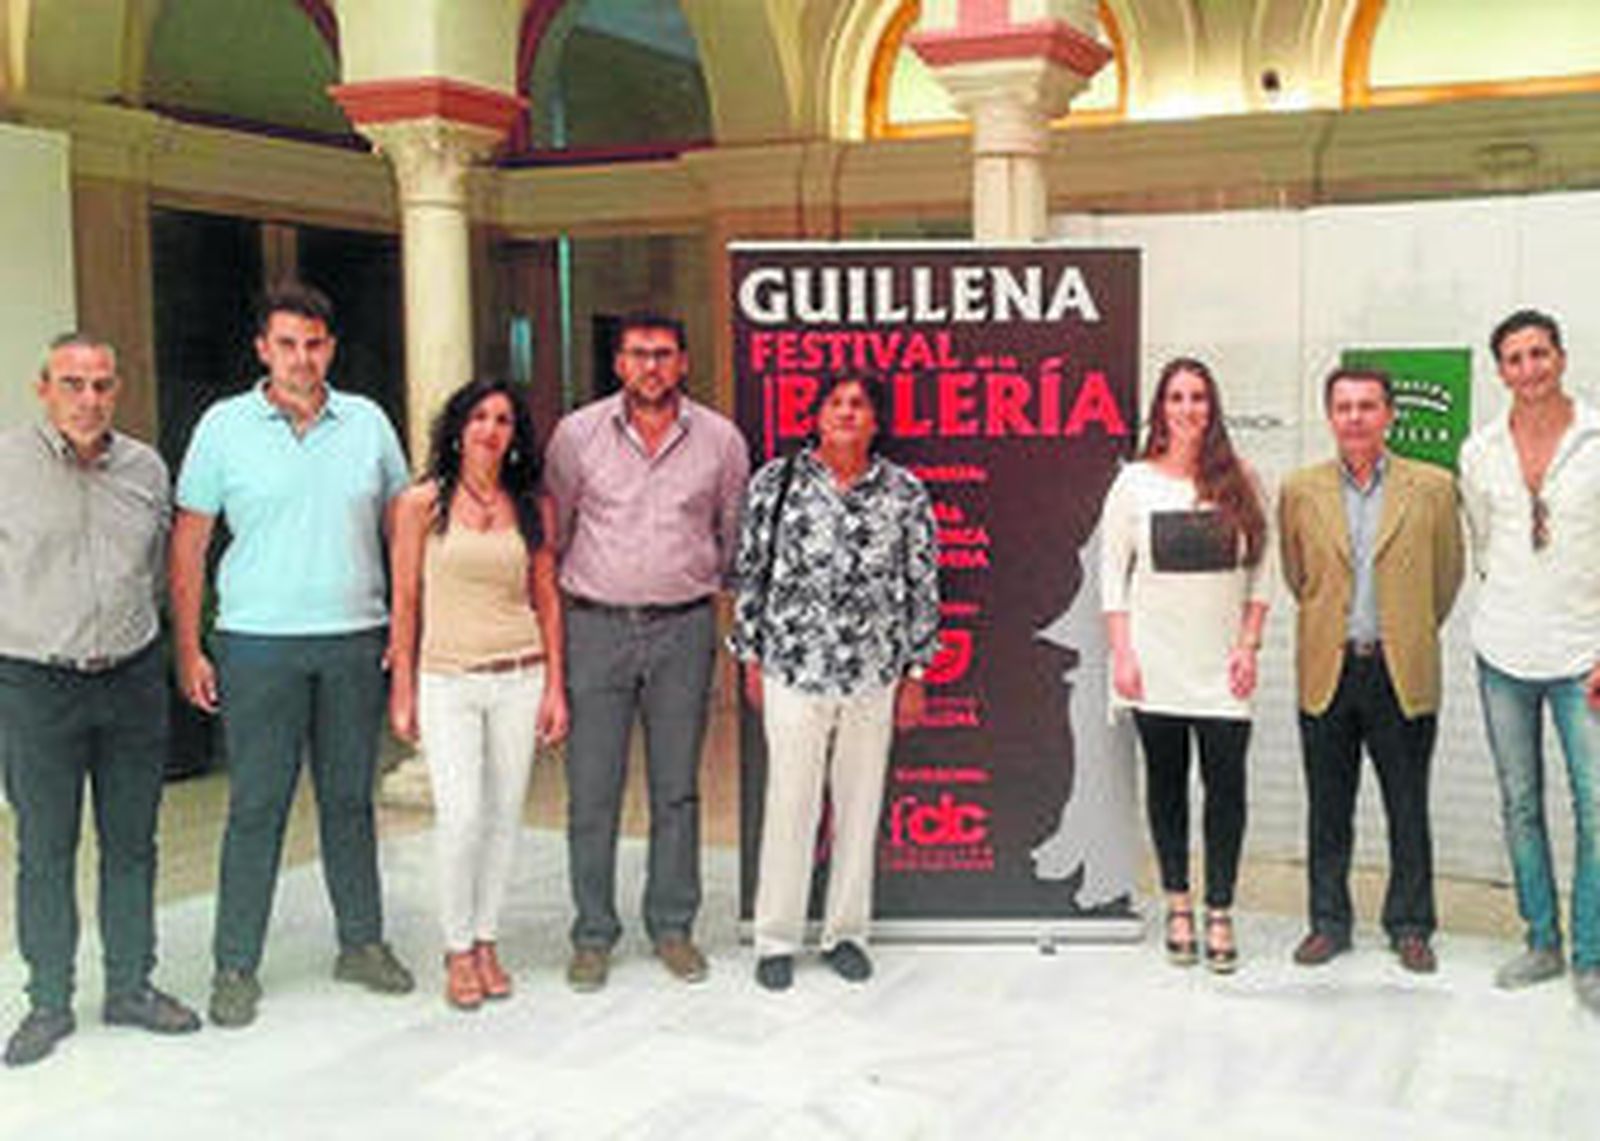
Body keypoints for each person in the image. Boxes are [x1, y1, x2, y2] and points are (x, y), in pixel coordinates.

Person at [170, 281, 414, 1028]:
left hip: (352, 641)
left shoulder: (368, 423)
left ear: (330, 348)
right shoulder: (223, 427)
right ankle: (234, 964)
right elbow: (190, 540)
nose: (301, 359)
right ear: (262, 349)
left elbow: (403, 528)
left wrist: (406, 632)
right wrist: (189, 646)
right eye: (286, 345)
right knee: (256, 806)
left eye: (313, 344)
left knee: (349, 802)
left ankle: (362, 942)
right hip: (256, 646)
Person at [0, 334, 201, 1067]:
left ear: (117, 390)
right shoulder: (5, 465)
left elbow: (156, 571)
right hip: (34, 681)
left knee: (133, 844)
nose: (89, 399)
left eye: (102, 385)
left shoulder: (146, 468)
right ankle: (48, 1001)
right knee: (45, 850)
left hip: (130, 678)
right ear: (43, 386)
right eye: (73, 383)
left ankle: (131, 986)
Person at [544, 311, 749, 991]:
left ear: (684, 362)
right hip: (596, 628)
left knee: (677, 789)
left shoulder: (720, 439)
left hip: (683, 630)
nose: (651, 366)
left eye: (663, 354)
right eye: (638, 354)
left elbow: (732, 535)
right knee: (593, 790)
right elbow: (559, 529)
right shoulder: (576, 436)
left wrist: (683, 585)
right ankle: (593, 934)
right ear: (618, 363)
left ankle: (672, 926)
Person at [731, 376, 940, 991]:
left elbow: (923, 588)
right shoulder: (776, 482)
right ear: (817, 416)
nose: (847, 413)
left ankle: (846, 933)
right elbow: (751, 574)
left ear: (876, 423)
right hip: (792, 668)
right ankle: (776, 938)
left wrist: (915, 674)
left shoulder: (905, 493)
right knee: (790, 803)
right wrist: (749, 659)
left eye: (860, 406)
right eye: (836, 403)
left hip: (874, 675)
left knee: (858, 806)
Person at [387, 379, 568, 1009]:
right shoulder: (420, 504)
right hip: (448, 680)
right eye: (480, 418)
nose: (492, 430)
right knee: (461, 818)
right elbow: (405, 599)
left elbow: (546, 599)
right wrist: (402, 687)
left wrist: (556, 689)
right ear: (458, 428)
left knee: (503, 818)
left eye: (504, 420)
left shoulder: (532, 506)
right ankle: (456, 947)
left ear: (515, 435)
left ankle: (488, 939)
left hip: (520, 674)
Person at [1279, 366, 1463, 973]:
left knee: (1407, 805)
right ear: (1329, 415)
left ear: (1389, 414)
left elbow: (1445, 581)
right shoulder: (1300, 489)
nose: (1355, 417)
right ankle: (1328, 923)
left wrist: (1402, 631)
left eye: (1367, 406)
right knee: (1327, 806)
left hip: (1400, 671)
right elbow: (1298, 576)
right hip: (1329, 671)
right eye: (1343, 406)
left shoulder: (1433, 487)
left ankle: (1410, 924)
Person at [1101, 357, 1272, 973]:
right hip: (1155, 662)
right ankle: (1177, 902)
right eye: (1176, 396)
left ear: (1213, 406)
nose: (1188, 408)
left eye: (1199, 396)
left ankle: (1220, 910)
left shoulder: (1243, 478)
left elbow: (1262, 572)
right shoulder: (1134, 483)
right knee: (1167, 787)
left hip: (1224, 668)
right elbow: (1111, 578)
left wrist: (1248, 645)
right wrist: (1123, 653)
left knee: (1227, 792)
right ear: (1160, 408)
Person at [1459, 309, 1600, 1014]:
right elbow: (1484, 546)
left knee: (1596, 809)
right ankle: (1542, 938)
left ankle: (1592, 952)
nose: (1528, 368)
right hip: (1504, 652)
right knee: (1520, 804)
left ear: (1562, 357)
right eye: (1513, 358)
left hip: (1587, 660)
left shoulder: (1598, 439)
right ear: (1500, 370)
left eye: (1539, 353)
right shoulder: (1479, 450)